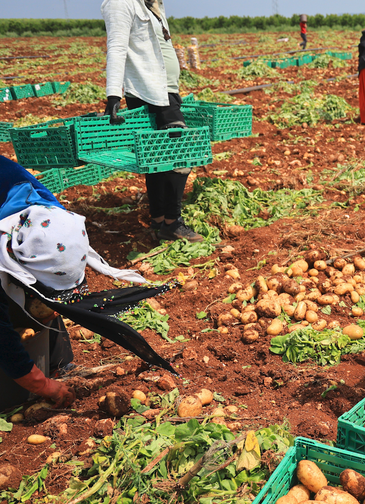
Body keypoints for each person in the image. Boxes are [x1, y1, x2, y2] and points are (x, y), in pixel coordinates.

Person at [0, 156, 177, 409]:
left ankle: (60, 362)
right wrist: (43, 385)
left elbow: (59, 266)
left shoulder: (49, 214)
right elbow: (2, 338)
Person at [102, 0, 203, 243]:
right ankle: (172, 223)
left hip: (165, 89)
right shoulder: (119, 3)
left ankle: (158, 219)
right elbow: (116, 46)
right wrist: (113, 94)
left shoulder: (151, 3)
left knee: (157, 157)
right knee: (182, 152)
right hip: (152, 91)